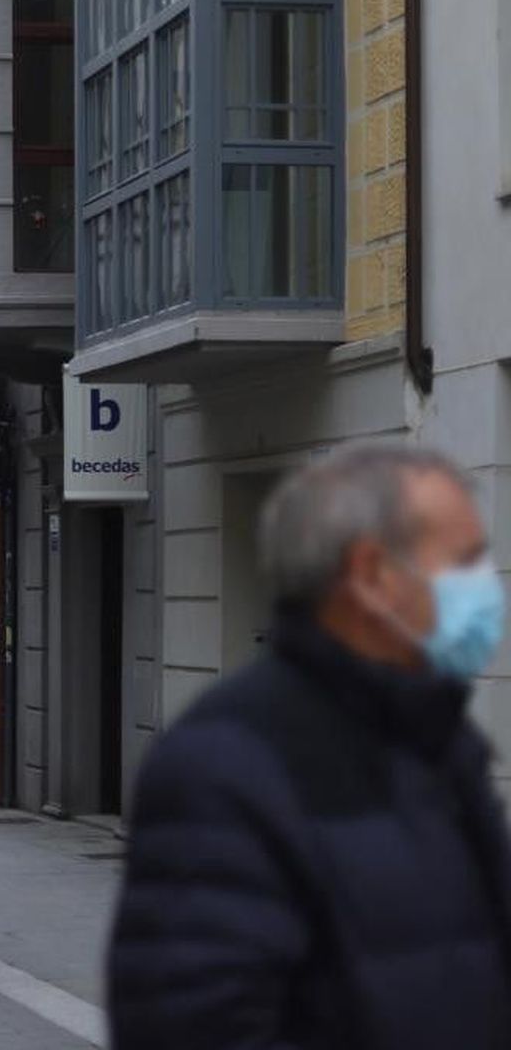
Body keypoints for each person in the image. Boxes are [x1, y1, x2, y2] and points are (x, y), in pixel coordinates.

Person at [108, 444, 511, 1048]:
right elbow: (196, 1025)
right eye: (465, 561)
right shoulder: (221, 768)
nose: (488, 589)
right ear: (372, 575)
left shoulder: (441, 742)